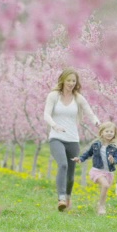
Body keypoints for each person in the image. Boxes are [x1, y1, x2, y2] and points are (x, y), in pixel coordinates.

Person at [44, 68, 100, 211]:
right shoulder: (54, 96)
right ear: (62, 80)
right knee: (63, 165)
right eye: (68, 80)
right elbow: (46, 115)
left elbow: (89, 112)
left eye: (73, 81)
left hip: (73, 140)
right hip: (56, 137)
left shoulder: (78, 98)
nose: (71, 83)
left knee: (70, 175)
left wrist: (97, 123)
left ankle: (68, 196)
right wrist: (55, 126)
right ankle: (61, 197)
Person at [72, 121, 117, 215]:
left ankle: (101, 203)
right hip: (97, 171)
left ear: (114, 134)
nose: (109, 133)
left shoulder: (115, 147)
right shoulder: (96, 145)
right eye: (107, 131)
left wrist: (113, 160)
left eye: (111, 132)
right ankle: (101, 206)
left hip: (108, 173)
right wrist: (80, 159)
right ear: (102, 133)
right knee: (105, 185)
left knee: (105, 188)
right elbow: (88, 153)